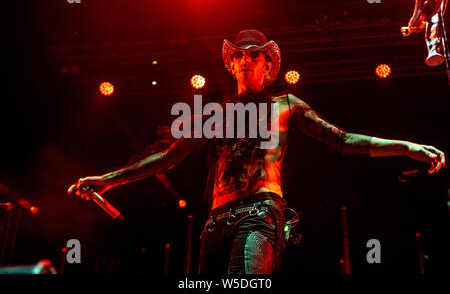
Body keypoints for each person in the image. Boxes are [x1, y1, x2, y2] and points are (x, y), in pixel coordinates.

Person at [68, 29, 446, 274]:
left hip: (259, 215)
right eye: (239, 55)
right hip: (214, 223)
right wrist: (108, 179)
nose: (245, 58)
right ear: (232, 65)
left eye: (254, 54)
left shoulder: (286, 105)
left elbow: (343, 140)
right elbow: (168, 156)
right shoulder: (216, 117)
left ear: (269, 66)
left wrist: (406, 146)